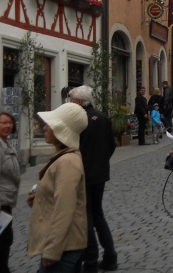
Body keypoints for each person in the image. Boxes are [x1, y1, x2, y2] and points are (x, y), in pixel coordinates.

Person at [27, 102, 89, 272]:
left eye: (50, 124)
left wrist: (52, 250)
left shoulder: (67, 161)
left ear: (61, 130)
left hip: (64, 247)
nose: (45, 127)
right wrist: (40, 197)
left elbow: (64, 208)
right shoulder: (64, 158)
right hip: (67, 245)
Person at [68, 86, 118, 272]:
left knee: (86, 218)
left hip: (82, 174)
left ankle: (90, 260)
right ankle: (110, 256)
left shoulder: (77, 120)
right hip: (100, 174)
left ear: (79, 102)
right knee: (98, 214)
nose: (70, 103)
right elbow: (111, 145)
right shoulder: (103, 117)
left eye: (72, 100)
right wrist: (101, 162)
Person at [0, 112, 20, 272]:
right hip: (0, 204)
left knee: (5, 240)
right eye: (3, 123)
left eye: (10, 122)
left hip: (6, 201)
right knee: (2, 242)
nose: (8, 126)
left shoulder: (6, 144)